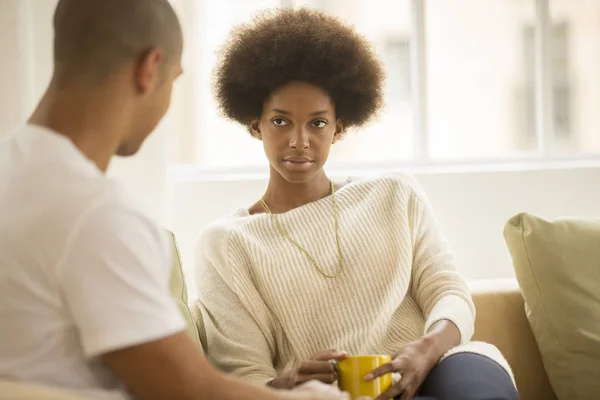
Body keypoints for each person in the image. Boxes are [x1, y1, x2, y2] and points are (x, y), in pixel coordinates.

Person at [0, 1, 358, 400]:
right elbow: (189, 391)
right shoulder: (94, 215)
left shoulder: (11, 172)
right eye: (173, 79)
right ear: (149, 68)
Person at [195, 7, 520, 400]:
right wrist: (289, 381)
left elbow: (448, 292)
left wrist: (427, 349)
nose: (299, 140)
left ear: (340, 127)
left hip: (440, 365)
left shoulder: (394, 195)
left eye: (317, 122)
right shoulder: (226, 244)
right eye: (281, 121)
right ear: (255, 123)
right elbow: (244, 373)